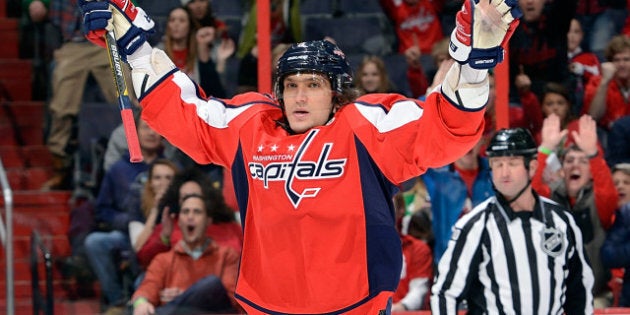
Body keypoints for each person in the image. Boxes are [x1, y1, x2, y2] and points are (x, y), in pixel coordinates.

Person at [80, 0, 520, 312]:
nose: (300, 96)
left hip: (356, 304)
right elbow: (186, 114)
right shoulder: (250, 125)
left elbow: (442, 130)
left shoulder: (365, 125)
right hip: (269, 305)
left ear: (337, 92)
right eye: (291, 85)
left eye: (313, 84)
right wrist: (135, 49)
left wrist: (475, 65)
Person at [431, 128, 594, 314]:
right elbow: (445, 293)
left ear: (532, 167)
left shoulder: (562, 221)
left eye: (512, 163)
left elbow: (580, 290)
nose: (504, 173)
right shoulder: (475, 225)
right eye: (498, 164)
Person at [532, 114, 617, 307]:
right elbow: (528, 192)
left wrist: (593, 154)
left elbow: (608, 193)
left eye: (583, 161)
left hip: (594, 299)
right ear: (562, 169)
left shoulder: (598, 202)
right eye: (569, 160)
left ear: (591, 172)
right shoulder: (549, 198)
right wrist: (545, 149)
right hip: (551, 300)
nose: (575, 165)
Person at [83, 117, 164, 315]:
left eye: (156, 128)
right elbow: (102, 209)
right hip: (126, 234)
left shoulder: (169, 167)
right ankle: (117, 300)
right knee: (95, 242)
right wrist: (126, 222)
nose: (152, 133)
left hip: (163, 235)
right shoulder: (118, 169)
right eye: (146, 128)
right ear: (134, 133)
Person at [41, 0, 120, 190]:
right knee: (61, 105)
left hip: (105, 42)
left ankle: (134, 149)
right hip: (73, 46)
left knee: (126, 95)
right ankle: (61, 165)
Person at [131, 193, 241, 315]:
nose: (190, 217)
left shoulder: (226, 255)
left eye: (197, 212)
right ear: (179, 222)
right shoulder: (163, 260)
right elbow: (146, 289)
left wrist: (183, 297)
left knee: (212, 285)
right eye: (185, 212)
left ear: (208, 221)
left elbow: (231, 301)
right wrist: (141, 303)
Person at [136, 167, 242, 270]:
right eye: (185, 197)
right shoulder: (169, 226)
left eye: (195, 196)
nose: (191, 201)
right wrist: (164, 238)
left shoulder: (229, 227)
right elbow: (144, 261)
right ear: (177, 200)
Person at [421, 137, 494, 263]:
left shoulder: (495, 170)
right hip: (448, 261)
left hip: (489, 260)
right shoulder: (436, 173)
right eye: (461, 137)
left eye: (472, 137)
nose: (467, 143)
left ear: (482, 139)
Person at [127, 159, 179, 252]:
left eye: (168, 178)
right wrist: (155, 209)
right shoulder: (138, 202)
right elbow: (138, 246)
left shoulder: (185, 202)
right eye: (157, 178)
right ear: (150, 183)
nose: (163, 183)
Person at [583, 34, 630, 132]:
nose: (621, 65)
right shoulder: (597, 81)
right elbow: (593, 117)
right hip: (607, 132)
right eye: (616, 60)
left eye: (626, 59)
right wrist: (604, 82)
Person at [601, 163, 630, 307]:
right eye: (615, 183)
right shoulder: (609, 218)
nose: (620, 187)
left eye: (627, 182)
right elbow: (609, 255)